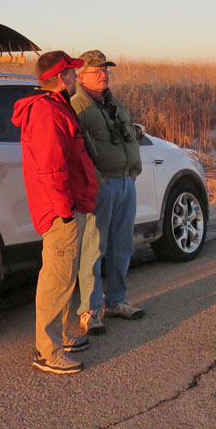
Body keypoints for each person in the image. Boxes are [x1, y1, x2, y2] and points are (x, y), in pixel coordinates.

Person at [11, 51, 98, 375]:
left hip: (68, 206)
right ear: (60, 78)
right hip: (61, 211)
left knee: (63, 277)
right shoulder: (47, 112)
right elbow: (51, 169)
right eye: (72, 73)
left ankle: (58, 337)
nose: (76, 77)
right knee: (56, 279)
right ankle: (48, 352)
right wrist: (64, 212)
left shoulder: (54, 108)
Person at [70, 50, 144, 335]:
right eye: (97, 70)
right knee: (93, 248)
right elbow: (78, 152)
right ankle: (90, 310)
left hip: (125, 182)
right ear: (81, 76)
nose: (104, 74)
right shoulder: (78, 107)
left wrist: (133, 172)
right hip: (101, 186)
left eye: (106, 69)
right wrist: (96, 182)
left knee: (122, 245)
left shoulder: (116, 104)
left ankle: (116, 301)